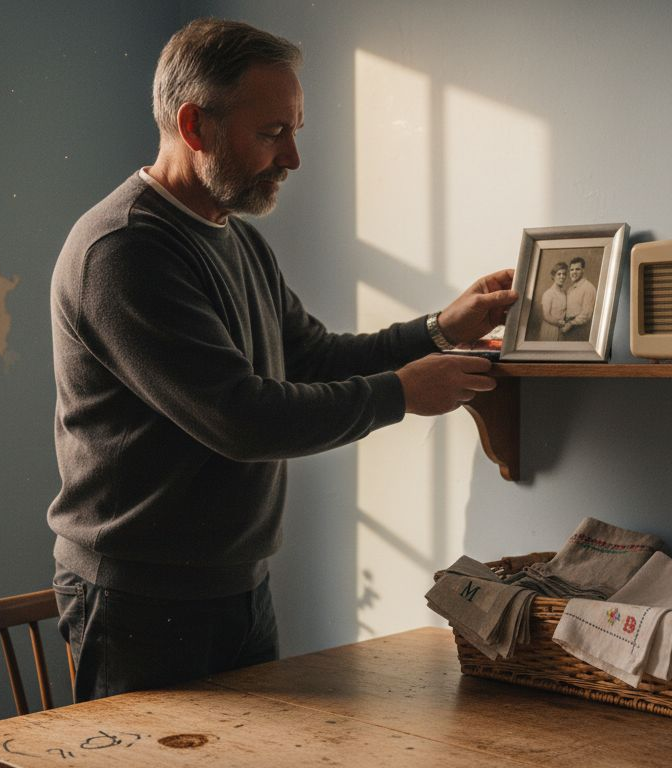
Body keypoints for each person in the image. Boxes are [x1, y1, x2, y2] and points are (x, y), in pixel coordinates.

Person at [47, 18, 517, 702]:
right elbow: (240, 417)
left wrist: (440, 328)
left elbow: (312, 356)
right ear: (195, 126)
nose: (293, 158)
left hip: (237, 590)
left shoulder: (234, 239)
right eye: (273, 133)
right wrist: (401, 393)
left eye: (294, 130)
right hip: (138, 606)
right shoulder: (123, 251)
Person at [560, 257, 596, 341]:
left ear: (583, 270)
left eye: (577, 269)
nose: (574, 272)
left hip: (579, 330)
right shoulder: (570, 289)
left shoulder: (588, 288)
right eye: (572, 270)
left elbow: (586, 314)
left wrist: (570, 324)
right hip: (567, 328)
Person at [536, 262, 569, 341]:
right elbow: (546, 315)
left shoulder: (564, 293)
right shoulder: (548, 294)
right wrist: (560, 323)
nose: (562, 277)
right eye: (559, 274)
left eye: (564, 274)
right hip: (550, 329)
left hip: (561, 330)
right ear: (553, 276)